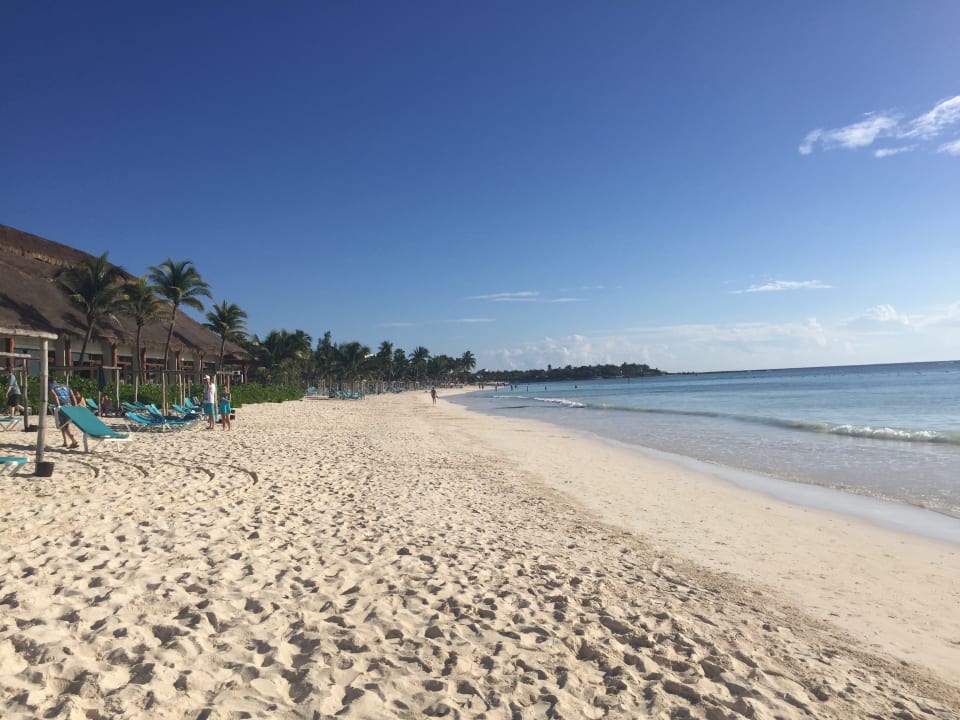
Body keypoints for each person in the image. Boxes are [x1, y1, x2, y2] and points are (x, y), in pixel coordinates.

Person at [49, 379, 80, 448]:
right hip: (69, 405)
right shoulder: (65, 386)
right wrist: (75, 406)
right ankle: (65, 442)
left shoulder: (51, 386)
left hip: (61, 405)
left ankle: (74, 441)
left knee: (64, 425)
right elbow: (72, 395)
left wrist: (58, 406)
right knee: (64, 424)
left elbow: (54, 395)